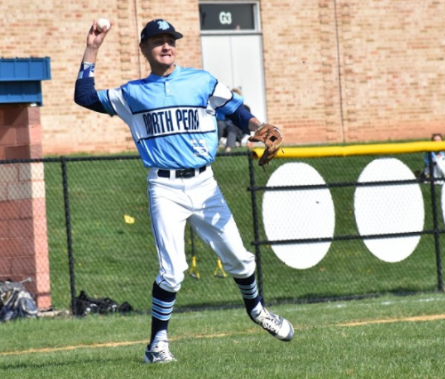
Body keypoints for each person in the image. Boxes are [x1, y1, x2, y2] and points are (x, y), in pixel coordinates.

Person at [74, 18, 293, 364]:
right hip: (164, 187)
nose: (166, 45)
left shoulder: (200, 81)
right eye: (157, 41)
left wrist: (258, 126)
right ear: (144, 49)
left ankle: (258, 312)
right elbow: (84, 96)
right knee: (172, 271)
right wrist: (93, 47)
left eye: (170, 39)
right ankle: (157, 345)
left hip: (205, 185)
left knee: (240, 259)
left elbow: (236, 110)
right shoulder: (132, 94)